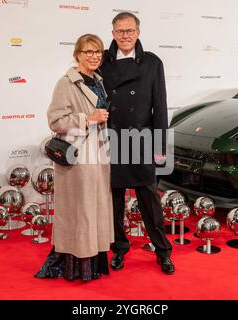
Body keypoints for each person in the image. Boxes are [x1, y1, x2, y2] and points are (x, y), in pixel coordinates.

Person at [99, 12, 175, 274]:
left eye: (130, 31)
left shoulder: (153, 63)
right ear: (113, 33)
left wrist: (159, 145)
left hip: (141, 138)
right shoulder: (103, 63)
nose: (125, 36)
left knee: (149, 201)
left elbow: (160, 108)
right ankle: (118, 249)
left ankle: (162, 251)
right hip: (113, 138)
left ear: (138, 32)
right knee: (115, 202)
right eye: (120, 31)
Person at [35, 34, 114, 282]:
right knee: (81, 211)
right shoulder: (66, 83)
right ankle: (75, 265)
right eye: (88, 52)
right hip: (78, 157)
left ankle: (94, 261)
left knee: (95, 209)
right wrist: (87, 118)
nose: (94, 56)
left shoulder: (98, 81)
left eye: (98, 52)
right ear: (77, 54)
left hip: (99, 154)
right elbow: (56, 121)